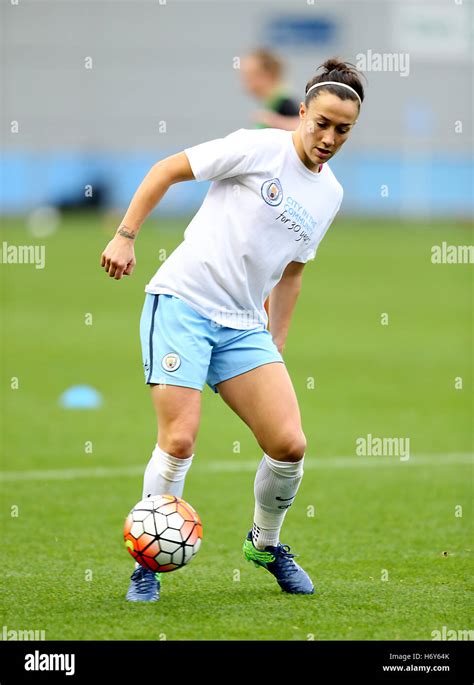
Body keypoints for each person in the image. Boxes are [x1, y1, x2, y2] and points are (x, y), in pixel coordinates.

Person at [100, 58, 365, 602]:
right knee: (179, 439)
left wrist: (277, 342)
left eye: (343, 130)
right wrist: (126, 235)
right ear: (303, 113)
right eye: (322, 123)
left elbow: (293, 272)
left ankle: (265, 544)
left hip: (244, 326)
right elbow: (166, 169)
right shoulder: (256, 146)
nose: (329, 138)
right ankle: (145, 563)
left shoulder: (330, 194)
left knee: (289, 445)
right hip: (183, 304)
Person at [240, 48, 300, 130]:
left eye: (250, 75)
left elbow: (301, 126)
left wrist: (273, 121)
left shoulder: (283, 101)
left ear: (267, 75)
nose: (245, 81)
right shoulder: (271, 102)